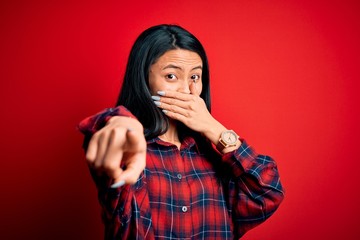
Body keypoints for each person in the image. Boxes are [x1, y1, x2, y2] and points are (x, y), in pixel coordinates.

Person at [78, 24, 284, 239]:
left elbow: (268, 193)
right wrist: (123, 123)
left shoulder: (213, 158)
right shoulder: (130, 151)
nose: (187, 90)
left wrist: (213, 128)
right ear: (143, 80)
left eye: (195, 77)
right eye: (171, 76)